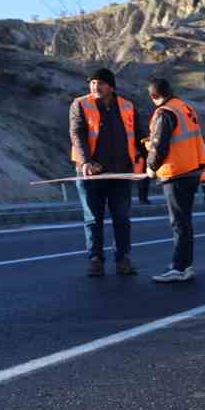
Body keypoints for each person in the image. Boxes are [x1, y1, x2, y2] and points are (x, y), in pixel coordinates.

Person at [69, 67, 146, 276]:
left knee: (121, 218)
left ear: (111, 86)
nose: (95, 86)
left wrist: (149, 156)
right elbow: (77, 133)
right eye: (92, 82)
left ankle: (123, 259)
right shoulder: (80, 104)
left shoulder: (127, 105)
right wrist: (86, 161)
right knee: (93, 219)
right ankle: (95, 260)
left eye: (100, 83)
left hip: (120, 173)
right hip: (90, 174)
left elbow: (140, 135)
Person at [142, 77, 205, 283]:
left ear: (154, 96)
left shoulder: (164, 112)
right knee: (185, 221)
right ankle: (185, 265)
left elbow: (160, 145)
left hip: (176, 173)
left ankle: (179, 268)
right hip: (191, 169)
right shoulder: (184, 107)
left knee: (179, 223)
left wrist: (151, 166)